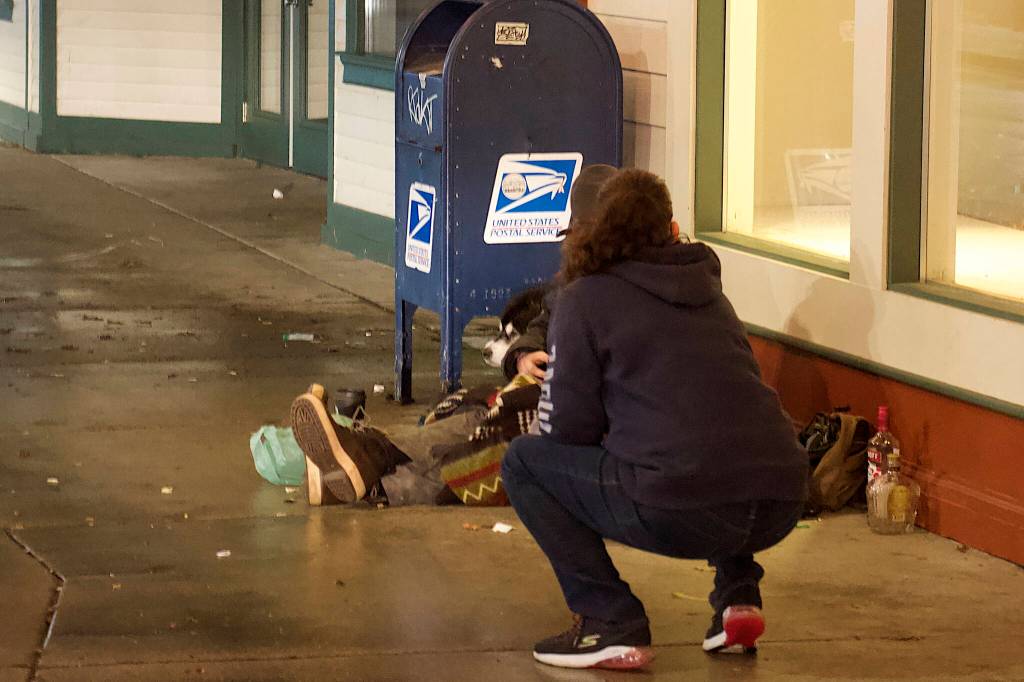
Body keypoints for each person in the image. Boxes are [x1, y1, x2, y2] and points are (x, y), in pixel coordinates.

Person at [501, 168, 808, 670]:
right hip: (782, 494)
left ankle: (609, 620)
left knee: (525, 463)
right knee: (714, 441)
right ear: (670, 226)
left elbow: (568, 432)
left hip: (682, 503)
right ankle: (738, 596)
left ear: (584, 233)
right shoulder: (706, 286)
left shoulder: (584, 299)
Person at [289, 164, 621, 508]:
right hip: (566, 405)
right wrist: (524, 355)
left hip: (599, 430)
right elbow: (543, 322)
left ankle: (372, 473)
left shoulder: (634, 291)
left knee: (498, 435)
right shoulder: (579, 279)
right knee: (476, 412)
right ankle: (367, 459)